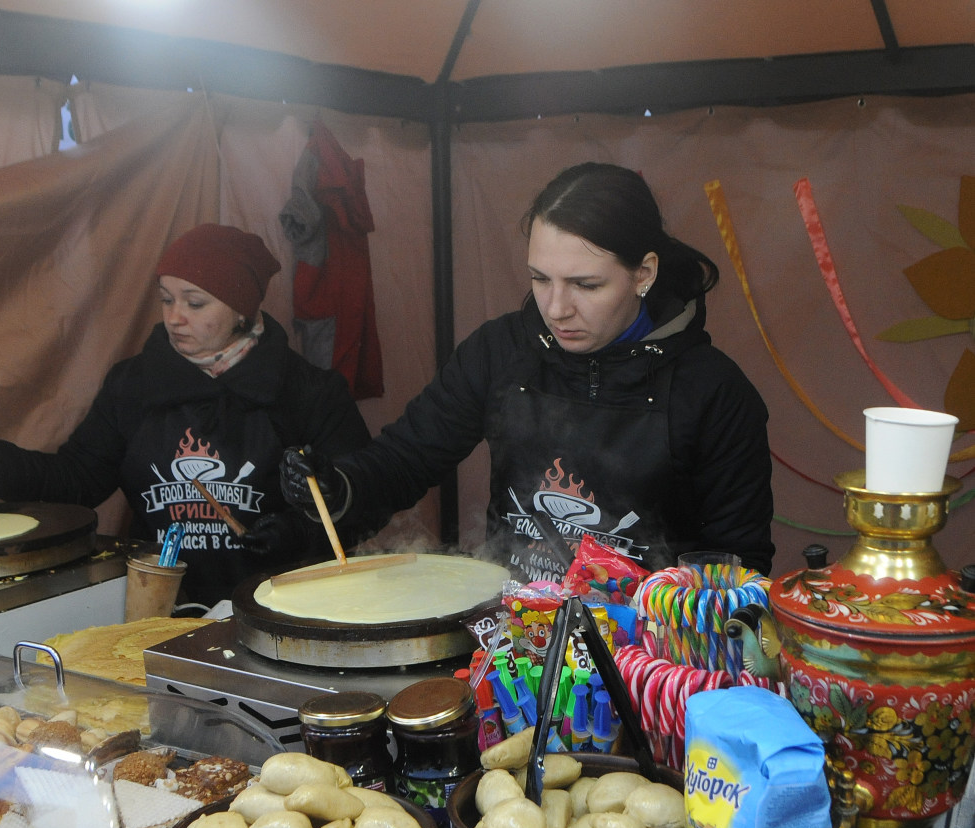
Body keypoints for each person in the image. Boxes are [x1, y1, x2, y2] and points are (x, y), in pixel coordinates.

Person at [280, 162, 774, 583]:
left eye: (586, 285)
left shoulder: (713, 392)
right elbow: (406, 458)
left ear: (643, 273)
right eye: (540, 279)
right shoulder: (501, 351)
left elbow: (738, 566)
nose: (557, 309)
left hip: (648, 656)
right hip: (515, 635)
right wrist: (338, 484)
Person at [0, 223, 371, 607]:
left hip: (280, 607)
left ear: (240, 310)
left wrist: (297, 531)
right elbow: (77, 479)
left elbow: (365, 498)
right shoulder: (134, 384)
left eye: (195, 304)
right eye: (166, 299)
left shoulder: (307, 391)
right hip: (160, 609)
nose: (175, 317)